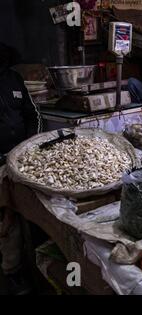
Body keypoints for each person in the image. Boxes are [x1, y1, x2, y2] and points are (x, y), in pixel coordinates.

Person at [0, 42, 39, 295]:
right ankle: (11, 272)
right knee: (6, 220)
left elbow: (32, 114)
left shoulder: (13, 79)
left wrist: (28, 146)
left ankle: (27, 264)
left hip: (20, 159)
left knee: (26, 213)